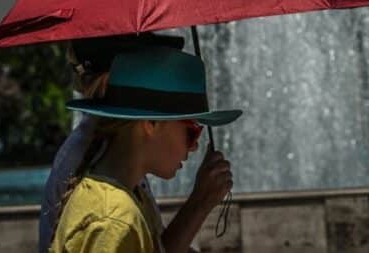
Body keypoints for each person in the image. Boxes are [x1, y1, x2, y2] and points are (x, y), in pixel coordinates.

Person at [45, 42, 242, 253]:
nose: (194, 148)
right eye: (192, 131)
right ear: (151, 124)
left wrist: (202, 200)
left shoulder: (129, 197)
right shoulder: (115, 221)